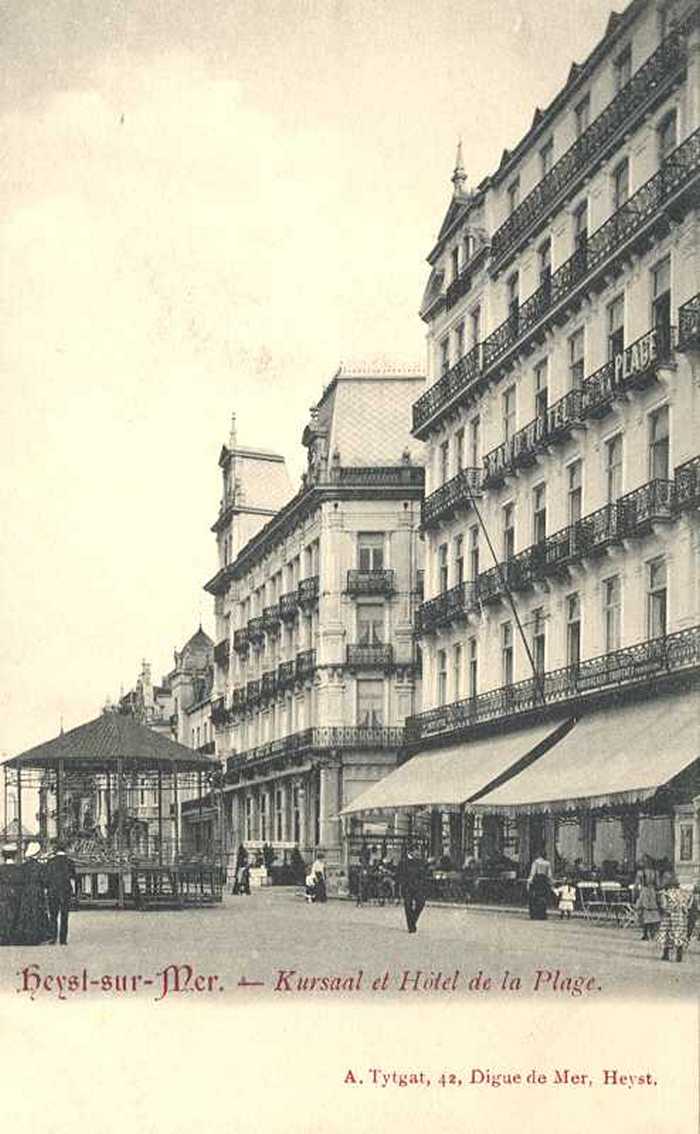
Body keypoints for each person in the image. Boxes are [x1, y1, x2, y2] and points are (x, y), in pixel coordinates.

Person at [43, 841, 76, 945]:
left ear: (55, 850)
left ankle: (53, 938)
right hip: (65, 890)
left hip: (53, 891)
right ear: (65, 850)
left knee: (53, 916)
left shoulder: (50, 862)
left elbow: (46, 878)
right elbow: (73, 877)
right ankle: (63, 939)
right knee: (64, 915)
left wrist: (47, 888)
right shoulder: (70, 862)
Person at [657, 874, 692, 962]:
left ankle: (666, 954)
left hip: (669, 917)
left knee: (667, 935)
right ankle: (679, 954)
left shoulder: (665, 893)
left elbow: (664, 905)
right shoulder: (683, 892)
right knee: (679, 934)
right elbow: (689, 903)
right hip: (680, 917)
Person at [397, 845, 428, 933]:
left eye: (418, 851)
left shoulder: (420, 862)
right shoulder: (403, 862)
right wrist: (402, 884)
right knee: (408, 906)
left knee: (421, 903)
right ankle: (411, 926)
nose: (418, 853)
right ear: (411, 852)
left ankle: (412, 921)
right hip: (407, 887)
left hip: (418, 887)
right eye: (416, 851)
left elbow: (423, 874)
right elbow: (399, 875)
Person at [634, 855, 661, 941]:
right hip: (652, 892)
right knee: (653, 912)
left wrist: (635, 894)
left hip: (644, 892)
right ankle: (652, 932)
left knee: (644, 912)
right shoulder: (655, 872)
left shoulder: (640, 873)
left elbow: (636, 885)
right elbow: (658, 884)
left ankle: (645, 933)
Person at [527, 852, 553, 920]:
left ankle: (535, 915)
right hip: (544, 881)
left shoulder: (535, 862)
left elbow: (532, 872)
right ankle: (542, 914)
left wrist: (529, 882)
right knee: (543, 898)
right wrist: (551, 882)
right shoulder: (547, 863)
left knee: (535, 898)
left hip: (537, 880)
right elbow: (549, 874)